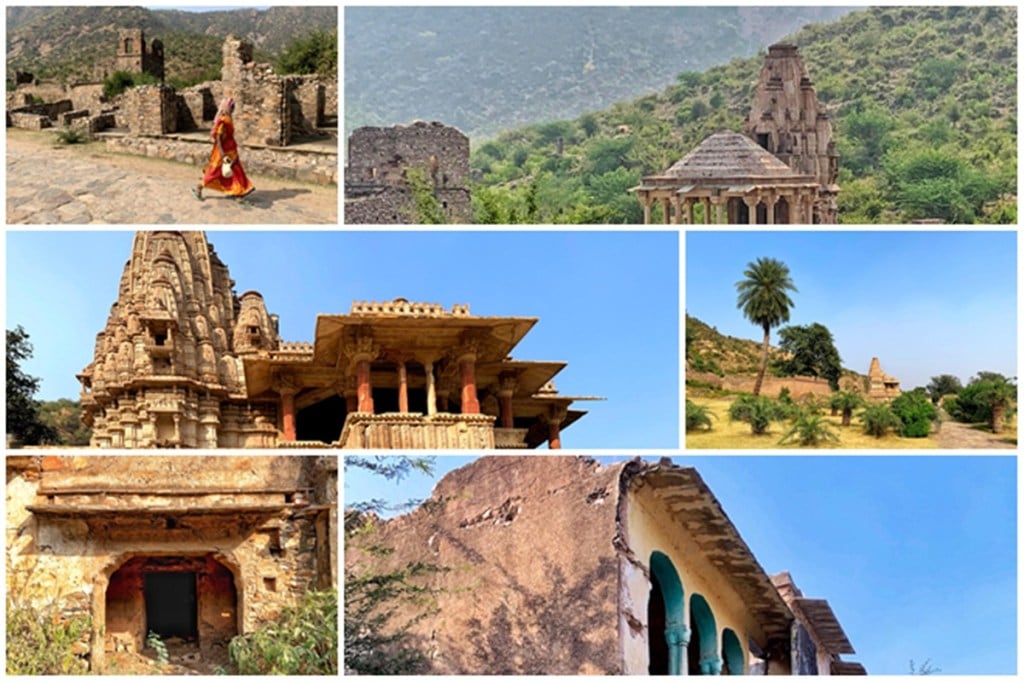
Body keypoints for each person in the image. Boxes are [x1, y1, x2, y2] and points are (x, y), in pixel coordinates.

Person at [192, 97, 255, 203]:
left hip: (231, 150)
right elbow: (218, 136)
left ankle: (239, 193)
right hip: (223, 151)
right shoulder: (223, 120)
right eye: (231, 107)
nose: (233, 109)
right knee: (215, 172)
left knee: (236, 170)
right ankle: (199, 187)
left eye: (233, 107)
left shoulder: (228, 118)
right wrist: (222, 152)